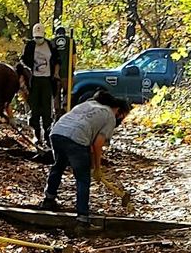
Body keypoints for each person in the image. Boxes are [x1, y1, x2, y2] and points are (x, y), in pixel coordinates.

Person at [41, 90, 131, 226]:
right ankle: (82, 218)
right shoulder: (110, 116)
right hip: (76, 138)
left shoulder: (88, 104)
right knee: (83, 178)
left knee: (58, 165)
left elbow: (90, 141)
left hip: (57, 132)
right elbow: (98, 144)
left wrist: (92, 161)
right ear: (120, 111)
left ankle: (48, 199)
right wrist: (97, 168)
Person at [19, 23, 59, 146]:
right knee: (34, 109)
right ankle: (36, 135)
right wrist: (24, 79)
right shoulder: (30, 46)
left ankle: (47, 136)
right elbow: (23, 62)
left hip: (47, 80)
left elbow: (57, 60)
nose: (38, 40)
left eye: (40, 37)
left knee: (47, 110)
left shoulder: (50, 45)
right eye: (36, 37)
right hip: (34, 81)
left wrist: (56, 74)